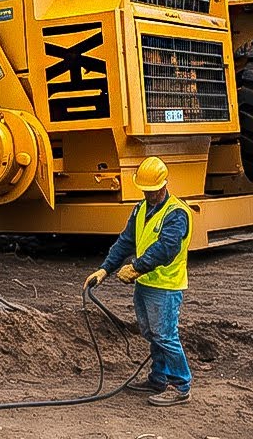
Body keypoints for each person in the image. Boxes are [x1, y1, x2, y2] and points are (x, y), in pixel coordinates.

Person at [84, 156, 194, 407]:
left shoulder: (176, 213)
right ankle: (159, 378)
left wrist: (136, 267)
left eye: (153, 190)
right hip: (146, 284)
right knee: (151, 333)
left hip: (166, 286)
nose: (149, 194)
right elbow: (126, 241)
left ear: (163, 185)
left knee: (165, 335)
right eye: (145, 189)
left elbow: (167, 248)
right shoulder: (140, 209)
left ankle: (180, 386)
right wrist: (105, 270)